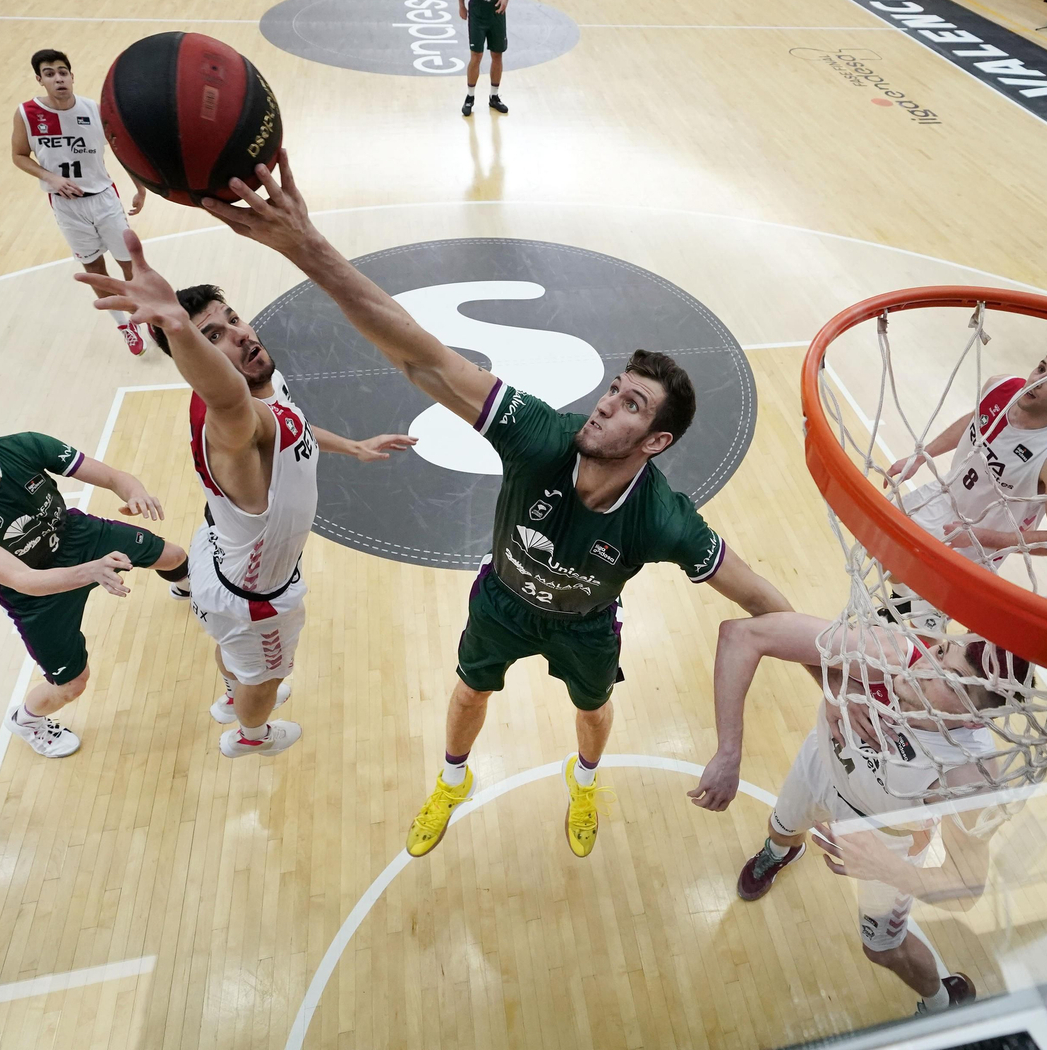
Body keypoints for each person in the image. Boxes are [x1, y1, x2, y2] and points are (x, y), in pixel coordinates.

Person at [190, 150, 792, 858]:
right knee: (468, 696)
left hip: (586, 627)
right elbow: (421, 355)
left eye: (631, 405)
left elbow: (765, 604)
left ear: (655, 441)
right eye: (613, 388)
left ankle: (586, 780)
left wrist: (848, 672)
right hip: (501, 602)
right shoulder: (540, 436)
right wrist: (306, 247)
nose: (606, 406)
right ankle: (451, 780)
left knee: (594, 711)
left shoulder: (663, 519)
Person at [89, 271, 417, 757]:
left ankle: (234, 688)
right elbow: (229, 399)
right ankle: (250, 734)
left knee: (240, 659)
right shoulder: (232, 418)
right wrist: (179, 331)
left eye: (233, 319)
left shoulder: (264, 388)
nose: (243, 334)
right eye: (214, 337)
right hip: (255, 597)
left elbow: (291, 425)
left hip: (217, 547)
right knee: (268, 679)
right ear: (191, 356)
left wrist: (352, 446)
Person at [689, 611, 1031, 1014]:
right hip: (822, 766)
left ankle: (940, 1001)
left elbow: (966, 889)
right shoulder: (890, 653)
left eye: (950, 680)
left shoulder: (967, 774)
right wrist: (731, 749)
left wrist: (884, 867)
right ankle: (781, 853)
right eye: (941, 650)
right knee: (780, 830)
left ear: (973, 717)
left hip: (887, 837)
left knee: (882, 950)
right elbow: (741, 634)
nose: (927, 666)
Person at [0, 396, 191, 757]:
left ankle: (188, 589)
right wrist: (90, 572)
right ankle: (26, 720)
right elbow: (23, 580)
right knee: (71, 684)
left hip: (74, 535)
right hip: (34, 592)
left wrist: (135, 491)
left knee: (173, 556)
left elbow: (112, 476)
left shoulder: (23, 446)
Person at [881, 344, 1047, 630]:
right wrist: (922, 455)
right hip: (943, 497)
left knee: (926, 631)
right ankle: (901, 602)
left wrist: (982, 537)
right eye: (1042, 368)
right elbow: (973, 421)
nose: (1038, 380)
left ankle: (916, 626)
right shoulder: (1001, 386)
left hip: (980, 544)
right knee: (888, 557)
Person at [11, 48, 149, 356]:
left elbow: (118, 149)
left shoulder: (93, 110)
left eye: (62, 72)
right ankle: (124, 325)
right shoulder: (27, 114)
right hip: (67, 207)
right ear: (40, 80)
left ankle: (145, 311)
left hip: (103, 199)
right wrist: (52, 178)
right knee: (95, 270)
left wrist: (140, 186)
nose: (58, 78)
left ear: (72, 77)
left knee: (131, 264)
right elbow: (19, 155)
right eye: (49, 74)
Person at [458, 0, 510, 116]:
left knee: (497, 55)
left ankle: (494, 96)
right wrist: (461, 5)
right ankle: (470, 97)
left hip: (497, 12)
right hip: (477, 12)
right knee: (476, 55)